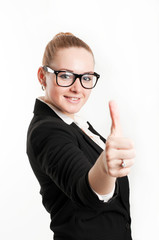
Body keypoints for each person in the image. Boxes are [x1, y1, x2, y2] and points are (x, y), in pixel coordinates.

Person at [26, 32, 135, 240]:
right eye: (65, 75)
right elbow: (84, 190)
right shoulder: (46, 130)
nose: (77, 88)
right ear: (42, 76)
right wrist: (104, 167)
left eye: (86, 78)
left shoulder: (75, 123)